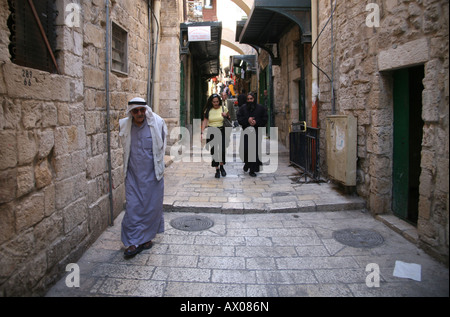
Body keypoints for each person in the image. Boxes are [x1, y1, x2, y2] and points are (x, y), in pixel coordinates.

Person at [119, 97, 167, 257]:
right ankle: (133, 242)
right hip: (133, 177)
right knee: (133, 208)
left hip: (153, 176)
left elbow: (162, 145)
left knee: (152, 208)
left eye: (142, 110)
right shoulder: (125, 126)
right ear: (131, 112)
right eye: (135, 111)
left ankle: (147, 238)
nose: (139, 113)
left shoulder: (157, 123)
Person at [237, 92, 268, 177]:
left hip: (256, 132)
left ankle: (252, 170)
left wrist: (256, 122)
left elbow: (265, 119)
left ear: (254, 99)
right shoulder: (243, 108)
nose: (250, 100)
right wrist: (247, 120)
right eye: (248, 99)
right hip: (246, 132)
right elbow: (239, 118)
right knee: (246, 150)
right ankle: (247, 163)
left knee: (254, 151)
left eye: (251, 99)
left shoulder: (260, 108)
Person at [201, 94, 230, 178]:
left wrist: (226, 115)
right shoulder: (208, 110)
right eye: (214, 102)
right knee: (214, 151)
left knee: (222, 150)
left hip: (222, 130)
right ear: (211, 102)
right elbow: (205, 121)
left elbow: (229, 117)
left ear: (219, 101)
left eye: (217, 101)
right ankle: (217, 169)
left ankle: (221, 166)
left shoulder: (223, 108)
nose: (216, 103)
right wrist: (202, 132)